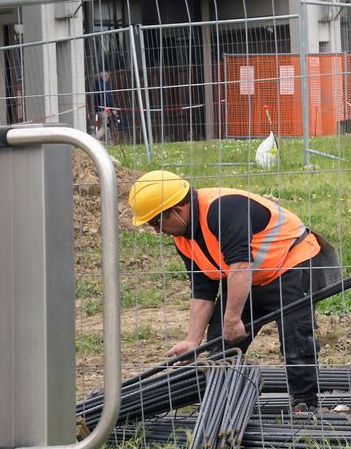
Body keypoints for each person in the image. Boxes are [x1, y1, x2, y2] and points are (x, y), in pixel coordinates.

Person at [128, 170, 323, 414]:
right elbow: (202, 288)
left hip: (292, 261)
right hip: (251, 277)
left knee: (295, 334)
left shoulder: (223, 209)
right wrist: (192, 341)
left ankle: (305, 404)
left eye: (157, 222)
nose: (157, 231)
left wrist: (234, 319)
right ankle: (220, 399)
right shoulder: (183, 236)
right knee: (221, 336)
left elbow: (240, 266)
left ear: (178, 209)